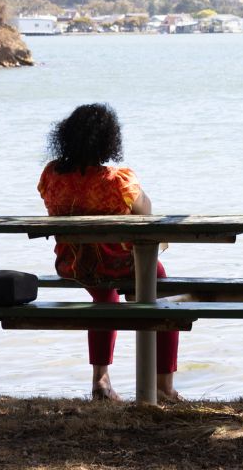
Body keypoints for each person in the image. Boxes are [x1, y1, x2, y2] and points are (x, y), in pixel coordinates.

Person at [37, 103, 180, 402]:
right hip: (118, 264)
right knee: (163, 290)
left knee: (104, 295)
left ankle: (100, 381)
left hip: (73, 263)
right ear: (108, 140)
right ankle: (163, 386)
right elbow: (147, 216)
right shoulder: (118, 180)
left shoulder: (52, 176)